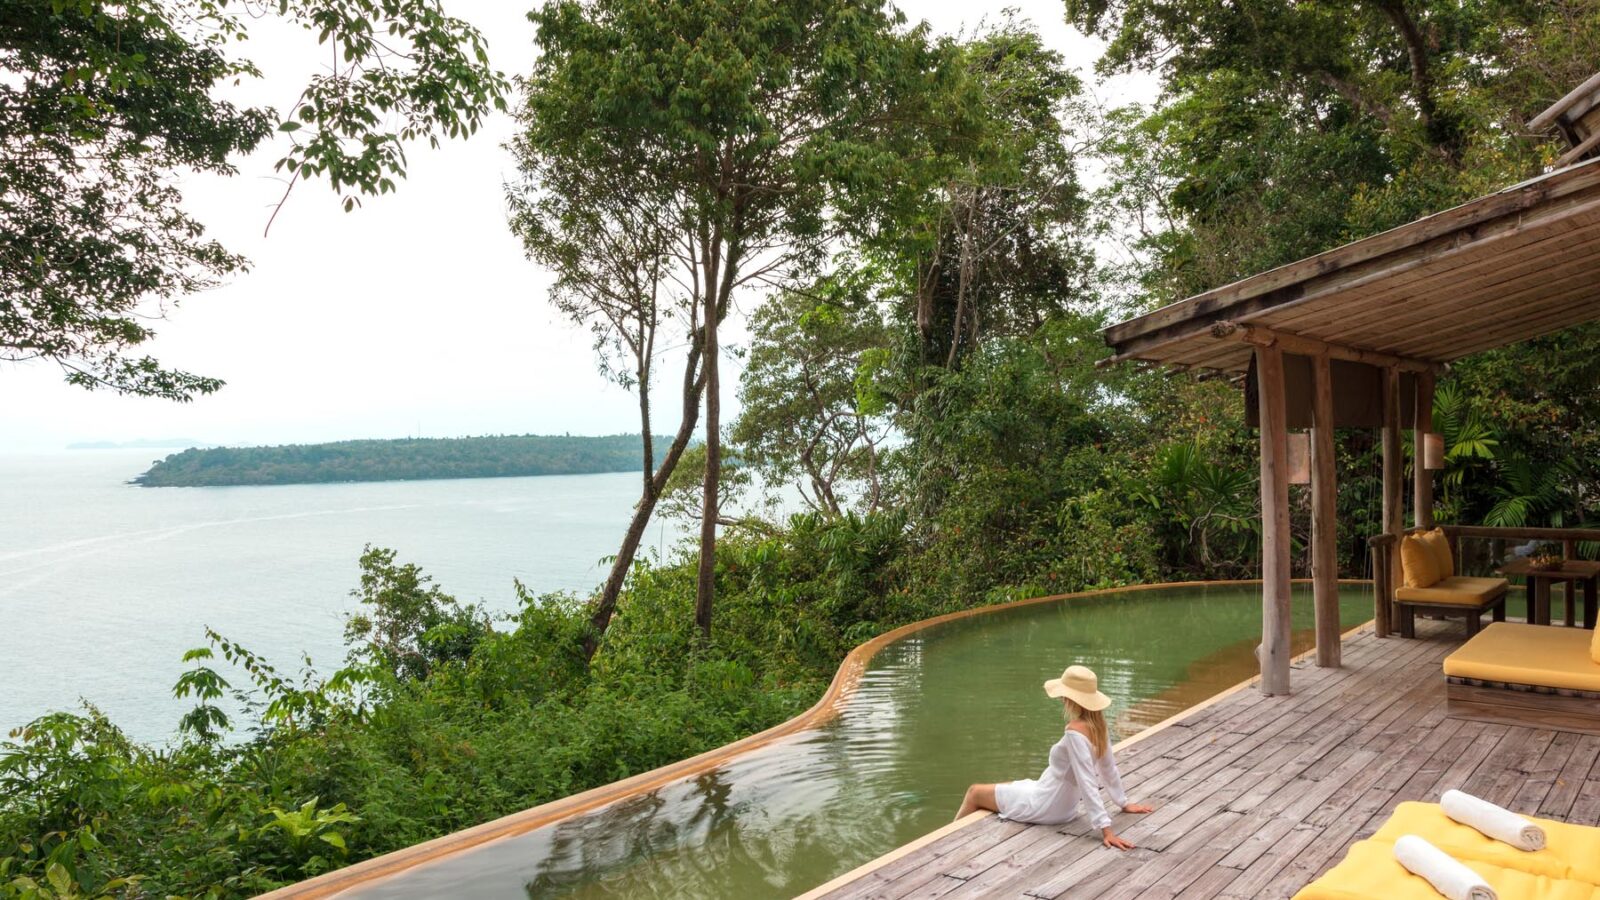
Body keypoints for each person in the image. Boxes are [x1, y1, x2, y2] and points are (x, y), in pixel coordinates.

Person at [954, 664, 1153, 850]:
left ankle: (950, 840)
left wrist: (1106, 829)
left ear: (1071, 699)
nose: (1062, 699)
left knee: (974, 792)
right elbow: (1108, 769)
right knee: (1011, 785)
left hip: (1047, 804)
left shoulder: (1074, 731)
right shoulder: (1099, 727)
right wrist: (1123, 803)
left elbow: (1087, 780)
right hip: (1063, 804)